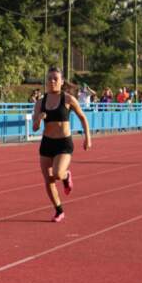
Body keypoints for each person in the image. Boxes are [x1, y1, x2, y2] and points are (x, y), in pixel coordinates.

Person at [32, 66, 92, 222]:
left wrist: (88, 137)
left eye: (55, 79)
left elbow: (82, 117)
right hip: (47, 143)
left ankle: (66, 176)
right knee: (48, 180)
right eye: (49, 79)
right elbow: (34, 127)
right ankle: (59, 210)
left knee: (58, 173)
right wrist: (39, 119)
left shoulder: (68, 99)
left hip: (63, 143)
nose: (52, 81)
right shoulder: (40, 103)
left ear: (62, 81)